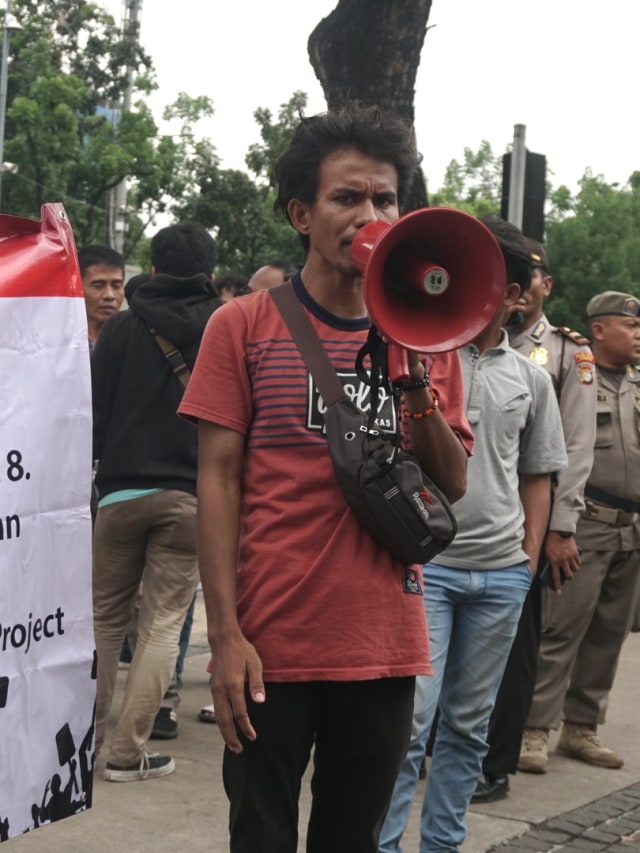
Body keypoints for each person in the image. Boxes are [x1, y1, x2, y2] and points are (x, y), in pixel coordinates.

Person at [178, 102, 473, 853]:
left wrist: (410, 374)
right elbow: (218, 481)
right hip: (270, 642)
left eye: (384, 199)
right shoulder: (242, 325)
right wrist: (226, 632)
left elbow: (453, 480)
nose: (368, 214)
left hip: (383, 644)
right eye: (348, 198)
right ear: (302, 214)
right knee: (263, 835)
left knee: (352, 837)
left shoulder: (430, 333)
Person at [380, 215, 567, 853]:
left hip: (501, 577)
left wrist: (528, 556)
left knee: (467, 726)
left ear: (514, 295)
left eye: (493, 283)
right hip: (426, 570)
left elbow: (538, 475)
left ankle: (443, 844)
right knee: (409, 726)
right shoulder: (416, 356)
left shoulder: (533, 378)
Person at [92, 221, 222, 782]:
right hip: (193, 498)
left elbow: (93, 410)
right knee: (163, 624)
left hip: (119, 492)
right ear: (210, 273)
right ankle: (127, 754)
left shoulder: (122, 327)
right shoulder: (225, 327)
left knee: (101, 620)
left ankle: (78, 743)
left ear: (152, 263)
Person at [472, 237, 597, 799]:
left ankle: (496, 760)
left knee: (516, 647)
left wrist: (554, 532)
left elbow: (569, 450)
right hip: (455, 530)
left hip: (523, 529)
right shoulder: (445, 340)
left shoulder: (566, 355)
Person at [519, 290, 640, 772]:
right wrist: (559, 527)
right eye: (629, 327)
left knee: (609, 634)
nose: (638, 335)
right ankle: (534, 729)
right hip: (585, 520)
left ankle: (582, 728)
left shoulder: (636, 384)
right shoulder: (574, 374)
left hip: (630, 527)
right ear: (598, 331)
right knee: (560, 628)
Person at [77, 244, 125, 351]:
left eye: (116, 286)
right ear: (77, 287)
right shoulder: (60, 341)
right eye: (98, 286)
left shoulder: (133, 341)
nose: (110, 295)